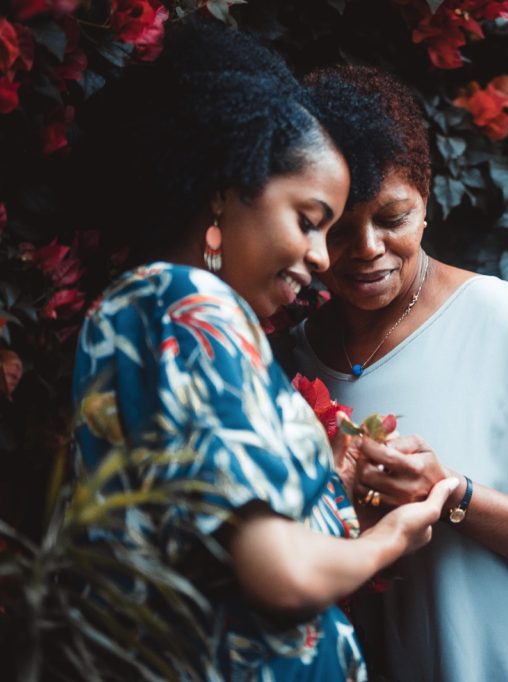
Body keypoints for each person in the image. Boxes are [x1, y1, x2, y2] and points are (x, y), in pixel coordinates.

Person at [70, 23, 457, 680]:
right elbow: (278, 574)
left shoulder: (137, 307)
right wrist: (395, 536)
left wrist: (331, 482)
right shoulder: (197, 306)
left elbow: (201, 540)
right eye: (308, 220)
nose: (320, 255)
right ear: (226, 192)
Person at [280, 65, 508, 681]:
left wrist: (454, 495)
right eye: (339, 228)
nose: (366, 247)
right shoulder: (295, 361)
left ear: (427, 202)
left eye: (392, 218)